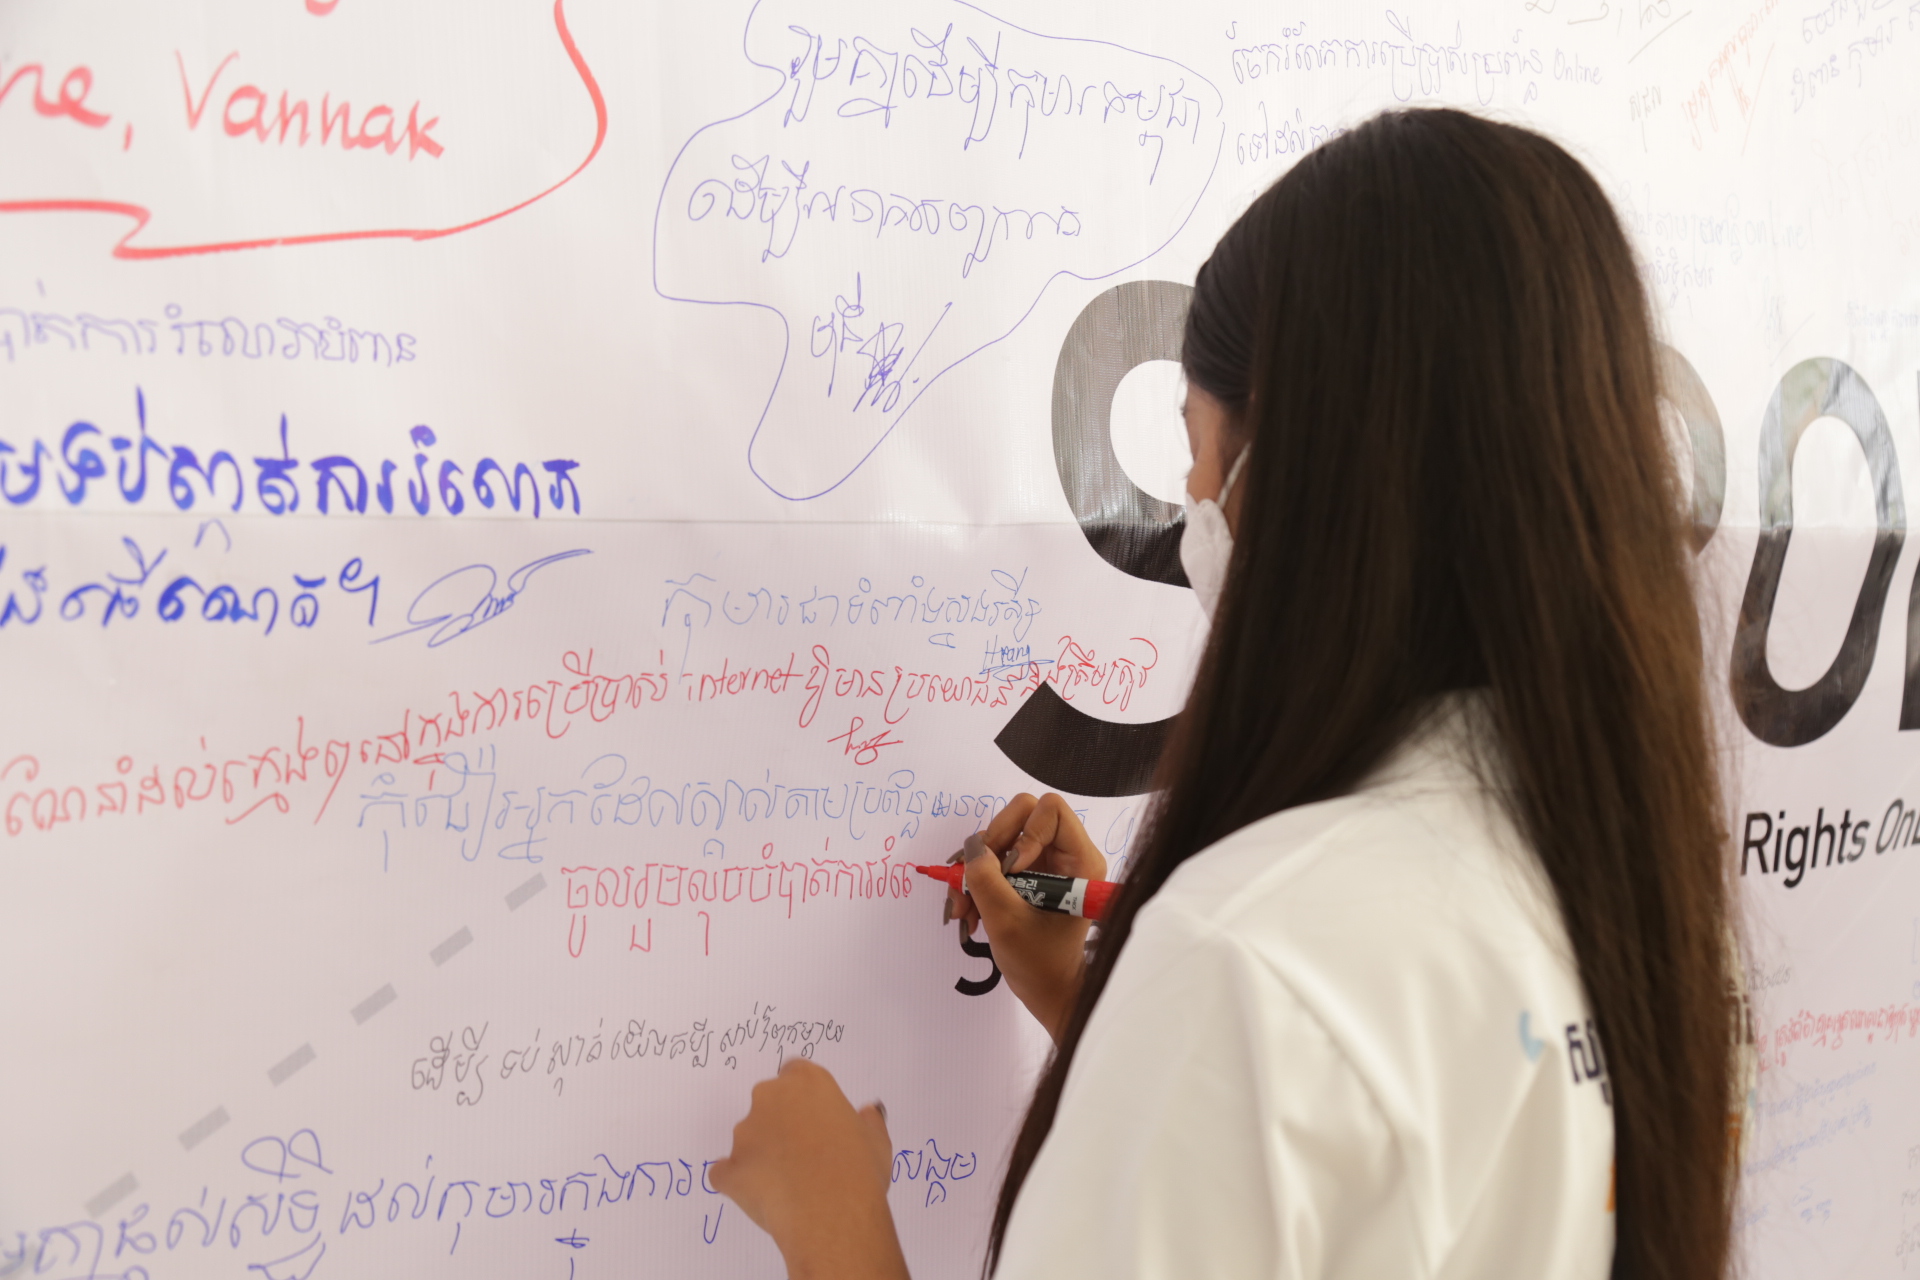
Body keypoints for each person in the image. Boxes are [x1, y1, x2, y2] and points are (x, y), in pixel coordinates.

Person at [707, 107, 1735, 1280]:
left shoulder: (1252, 953)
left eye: (1197, 447)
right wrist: (1107, 1012)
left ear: (1302, 472)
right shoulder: (1621, 870)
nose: (1191, 503)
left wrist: (831, 1217)